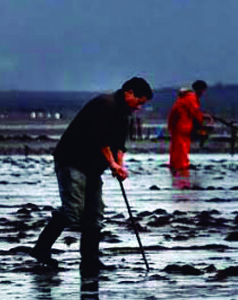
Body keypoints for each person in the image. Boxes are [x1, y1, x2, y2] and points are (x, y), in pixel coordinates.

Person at [29, 76, 153, 278]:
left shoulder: (124, 114)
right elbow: (101, 140)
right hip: (73, 161)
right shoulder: (105, 105)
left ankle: (90, 261)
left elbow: (119, 145)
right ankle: (41, 249)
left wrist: (119, 166)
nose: (139, 107)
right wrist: (112, 163)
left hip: (93, 168)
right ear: (129, 92)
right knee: (73, 211)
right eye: (139, 101)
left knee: (94, 213)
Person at [167, 79, 211, 172]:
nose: (203, 93)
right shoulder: (191, 98)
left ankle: (175, 166)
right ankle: (182, 167)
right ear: (200, 89)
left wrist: (203, 117)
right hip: (182, 126)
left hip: (176, 126)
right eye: (203, 90)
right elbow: (194, 113)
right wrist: (201, 123)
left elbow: (190, 112)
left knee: (176, 148)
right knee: (182, 147)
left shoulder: (184, 98)